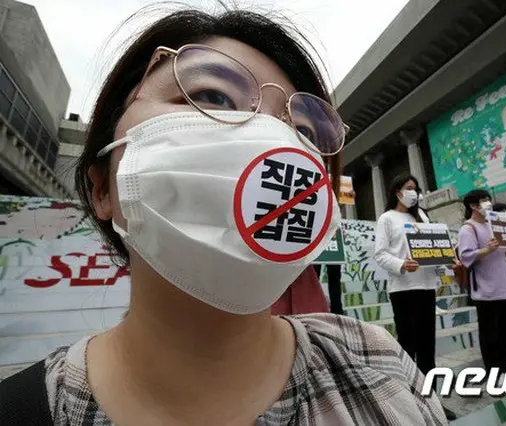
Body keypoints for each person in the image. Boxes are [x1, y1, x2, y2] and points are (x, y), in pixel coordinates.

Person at [0, 8, 448, 425]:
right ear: (102, 187)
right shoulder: (30, 409)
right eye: (212, 95)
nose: (274, 141)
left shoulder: (379, 366)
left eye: (305, 132)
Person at [374, 174, 456, 420]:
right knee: (408, 345)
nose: (414, 193)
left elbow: (435, 250)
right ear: (397, 191)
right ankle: (406, 400)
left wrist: (447, 259)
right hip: (403, 289)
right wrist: (401, 264)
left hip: (426, 287)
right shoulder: (387, 218)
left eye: (416, 189)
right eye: (409, 188)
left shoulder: (423, 217)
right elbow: (380, 254)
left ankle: (431, 400)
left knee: (427, 346)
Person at [458, 190, 506, 380]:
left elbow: (502, 253)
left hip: (505, 287)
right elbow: (465, 256)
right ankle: (494, 369)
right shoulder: (468, 229)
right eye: (483, 200)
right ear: (473, 206)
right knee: (490, 333)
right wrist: (486, 249)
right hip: (486, 290)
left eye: (488, 199)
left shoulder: (493, 225)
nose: (488, 203)